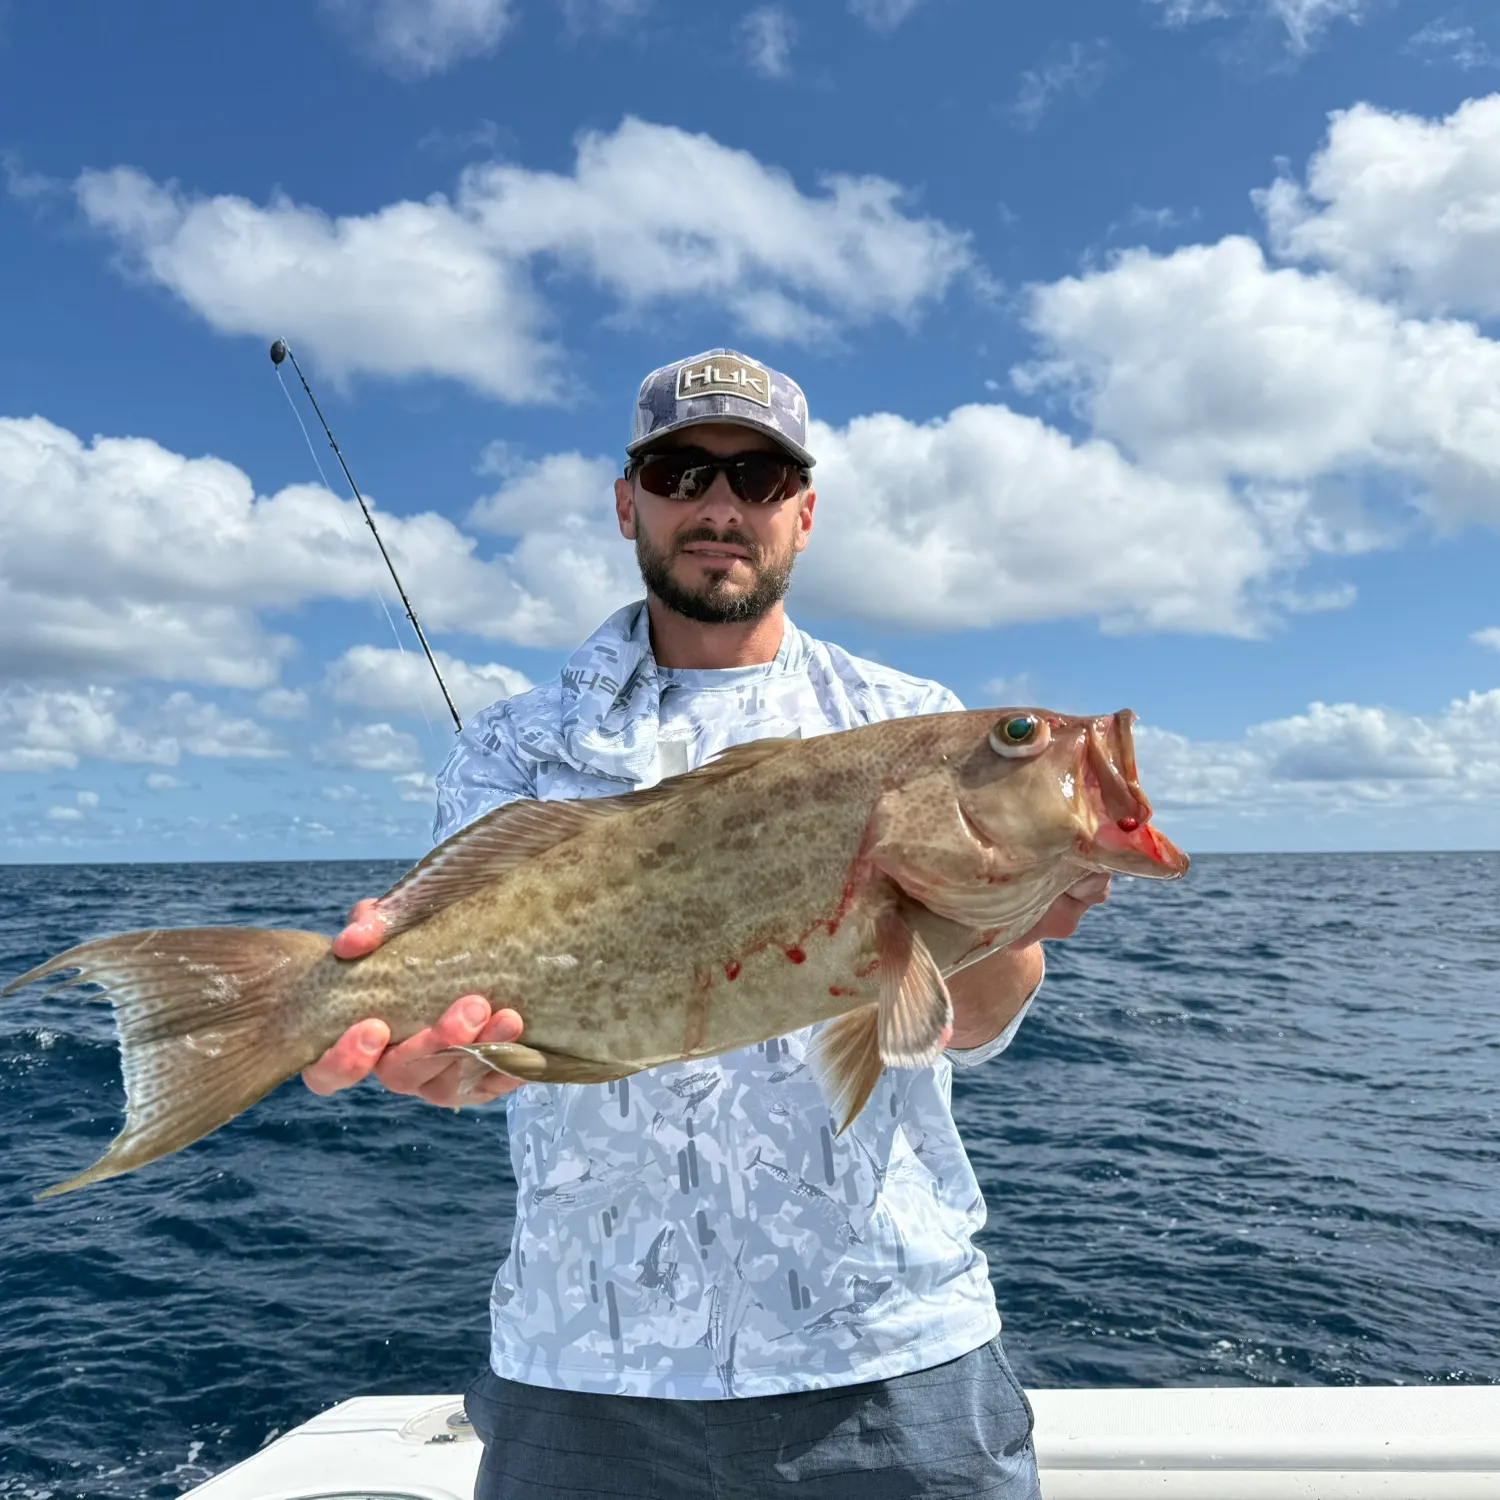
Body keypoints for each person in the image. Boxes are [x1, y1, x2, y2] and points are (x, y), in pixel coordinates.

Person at [303, 348, 1110, 1499]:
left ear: (804, 512)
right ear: (626, 502)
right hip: (583, 1368)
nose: (719, 505)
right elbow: (489, 1039)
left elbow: (972, 1022)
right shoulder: (514, 745)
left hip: (885, 1345)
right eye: (680, 473)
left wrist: (991, 911)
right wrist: (448, 1057)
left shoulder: (912, 722)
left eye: (758, 478)